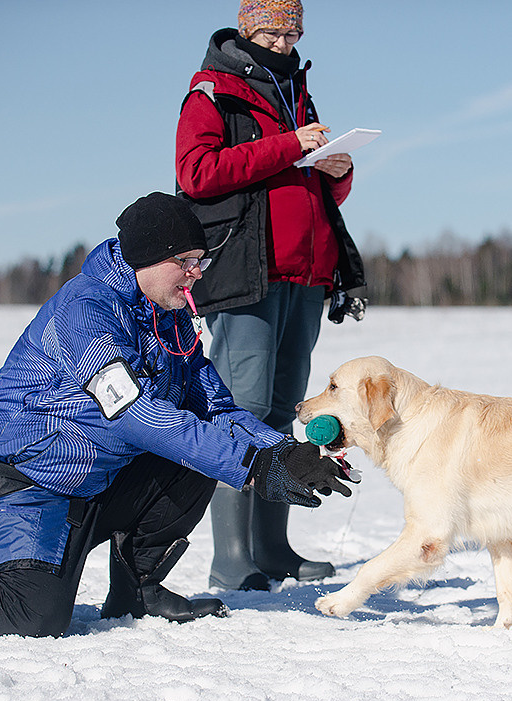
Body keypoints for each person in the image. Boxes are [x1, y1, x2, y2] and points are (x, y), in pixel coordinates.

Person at [0, 192, 353, 638]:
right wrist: (255, 467)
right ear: (148, 258)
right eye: (186, 261)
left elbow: (216, 409)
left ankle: (137, 590)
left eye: (201, 260)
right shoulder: (87, 312)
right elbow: (133, 414)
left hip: (90, 486)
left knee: (201, 450)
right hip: (19, 487)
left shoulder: (170, 318)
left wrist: (283, 452)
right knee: (35, 615)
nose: (197, 273)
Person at [176, 0, 367, 592]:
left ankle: (272, 548)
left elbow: (307, 190)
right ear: (246, 30)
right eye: (272, 32)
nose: (284, 43)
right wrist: (290, 146)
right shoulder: (213, 92)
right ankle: (231, 558)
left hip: (304, 275)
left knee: (285, 411)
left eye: (293, 32)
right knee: (243, 411)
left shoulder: (296, 93)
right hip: (245, 275)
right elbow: (195, 173)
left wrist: (335, 173)